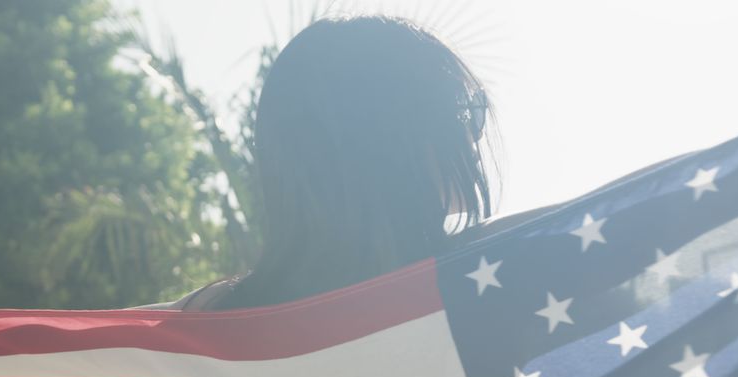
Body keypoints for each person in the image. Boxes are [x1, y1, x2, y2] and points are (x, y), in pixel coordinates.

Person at [147, 15, 512, 312]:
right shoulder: (496, 276)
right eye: (464, 112)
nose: (474, 135)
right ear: (393, 137)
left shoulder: (216, 321)